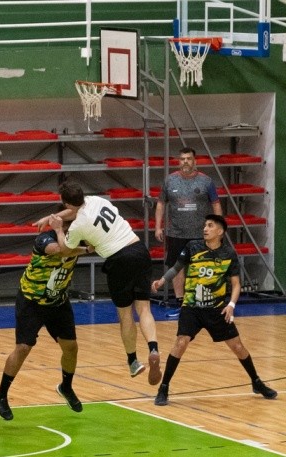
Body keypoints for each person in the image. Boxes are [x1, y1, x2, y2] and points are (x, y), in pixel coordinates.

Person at [36, 181, 162, 385]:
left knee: (125, 313)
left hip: (118, 260)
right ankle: (154, 349)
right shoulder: (97, 200)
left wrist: (58, 229)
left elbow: (66, 249)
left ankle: (133, 361)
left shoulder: (78, 227)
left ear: (67, 203)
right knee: (144, 309)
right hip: (138, 249)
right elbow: (74, 210)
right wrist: (55, 216)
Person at [150, 214, 277, 405]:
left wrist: (231, 306)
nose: (205, 229)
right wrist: (162, 281)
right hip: (191, 307)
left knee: (238, 347)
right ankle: (164, 388)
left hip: (216, 309)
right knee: (181, 342)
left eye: (210, 226)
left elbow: (236, 285)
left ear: (220, 231)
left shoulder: (228, 254)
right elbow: (176, 268)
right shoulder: (193, 247)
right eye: (204, 225)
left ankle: (256, 382)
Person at [0, 219, 91, 420]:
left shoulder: (78, 239)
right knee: (23, 348)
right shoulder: (45, 239)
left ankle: (66, 386)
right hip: (32, 301)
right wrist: (82, 246)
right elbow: (61, 251)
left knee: (71, 346)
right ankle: (1, 395)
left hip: (58, 301)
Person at [155, 147, 222, 319]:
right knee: (177, 268)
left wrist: (218, 228)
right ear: (178, 161)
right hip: (176, 232)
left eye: (189, 159)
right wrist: (157, 226)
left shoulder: (206, 181)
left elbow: (215, 204)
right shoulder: (170, 181)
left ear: (195, 161)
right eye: (182, 159)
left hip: (201, 234)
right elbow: (161, 203)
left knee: (202, 268)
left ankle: (202, 304)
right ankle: (181, 304)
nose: (185, 162)